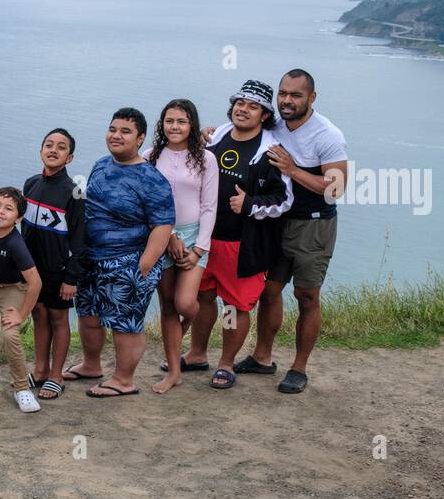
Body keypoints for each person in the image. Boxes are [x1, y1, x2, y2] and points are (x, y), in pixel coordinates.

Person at [234, 69, 347, 394]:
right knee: (268, 292)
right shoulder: (274, 125)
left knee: (307, 296)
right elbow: (242, 127)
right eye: (283, 93)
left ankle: (299, 368)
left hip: (313, 223)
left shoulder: (327, 135)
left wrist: (293, 170)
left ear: (311, 98)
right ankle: (262, 357)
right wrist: (213, 133)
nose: (287, 100)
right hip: (275, 221)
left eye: (295, 95)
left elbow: (336, 189)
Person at [187, 80, 292, 389]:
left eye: (253, 106)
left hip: (242, 245)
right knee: (203, 299)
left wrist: (249, 205)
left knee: (234, 307)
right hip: (205, 239)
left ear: (264, 115)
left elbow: (284, 200)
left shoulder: (271, 151)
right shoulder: (216, 135)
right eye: (240, 103)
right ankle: (196, 354)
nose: (243, 109)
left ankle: (225, 363)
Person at [64, 107, 175, 398]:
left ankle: (124, 380)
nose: (116, 135)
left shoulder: (151, 178)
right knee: (88, 315)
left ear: (140, 139)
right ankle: (91, 365)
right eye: (113, 129)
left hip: (129, 260)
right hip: (91, 258)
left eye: (125, 131)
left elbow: (163, 225)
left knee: (125, 324)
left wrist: (146, 263)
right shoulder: (101, 165)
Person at [146, 99, 217, 395]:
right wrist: (169, 235)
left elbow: (209, 207)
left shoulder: (205, 159)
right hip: (161, 236)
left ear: (192, 126)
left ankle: (184, 325)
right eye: (169, 121)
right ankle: (174, 371)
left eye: (182, 121)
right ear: (162, 124)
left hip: (195, 238)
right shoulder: (150, 156)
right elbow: (146, 202)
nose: (175, 127)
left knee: (186, 304)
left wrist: (199, 248)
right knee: (168, 308)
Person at [22, 128, 83, 400]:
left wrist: (72, 277)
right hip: (33, 270)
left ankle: (57, 375)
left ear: (69, 158)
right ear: (40, 150)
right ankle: (40, 369)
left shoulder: (74, 193)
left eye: (61, 147)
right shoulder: (31, 184)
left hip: (59, 270)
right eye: (48, 144)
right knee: (38, 316)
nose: (53, 150)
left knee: (58, 320)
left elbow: (81, 240)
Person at [0, 187, 43, 412]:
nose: (0, 212)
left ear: (18, 218)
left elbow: (36, 282)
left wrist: (21, 315)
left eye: (9, 209)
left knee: (9, 334)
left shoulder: (15, 244)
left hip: (13, 289)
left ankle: (22, 389)